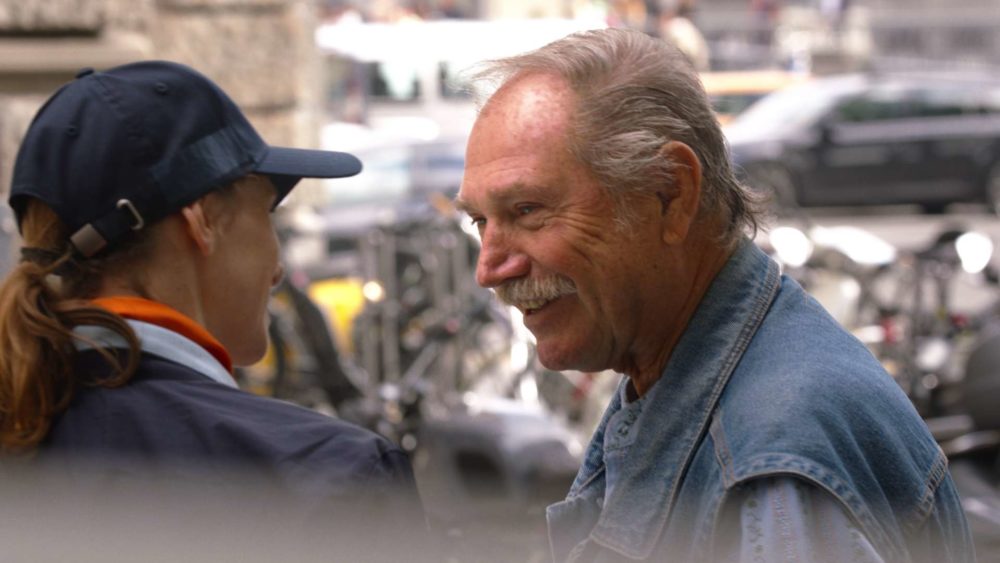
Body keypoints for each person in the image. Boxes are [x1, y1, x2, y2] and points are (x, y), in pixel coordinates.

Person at [455, 28, 974, 562]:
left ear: (671, 193)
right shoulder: (708, 378)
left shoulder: (770, 468)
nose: (490, 268)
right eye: (479, 221)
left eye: (528, 210)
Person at [0, 61, 424, 547]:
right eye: (268, 213)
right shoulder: (327, 476)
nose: (279, 266)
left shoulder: (28, 428)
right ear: (203, 221)